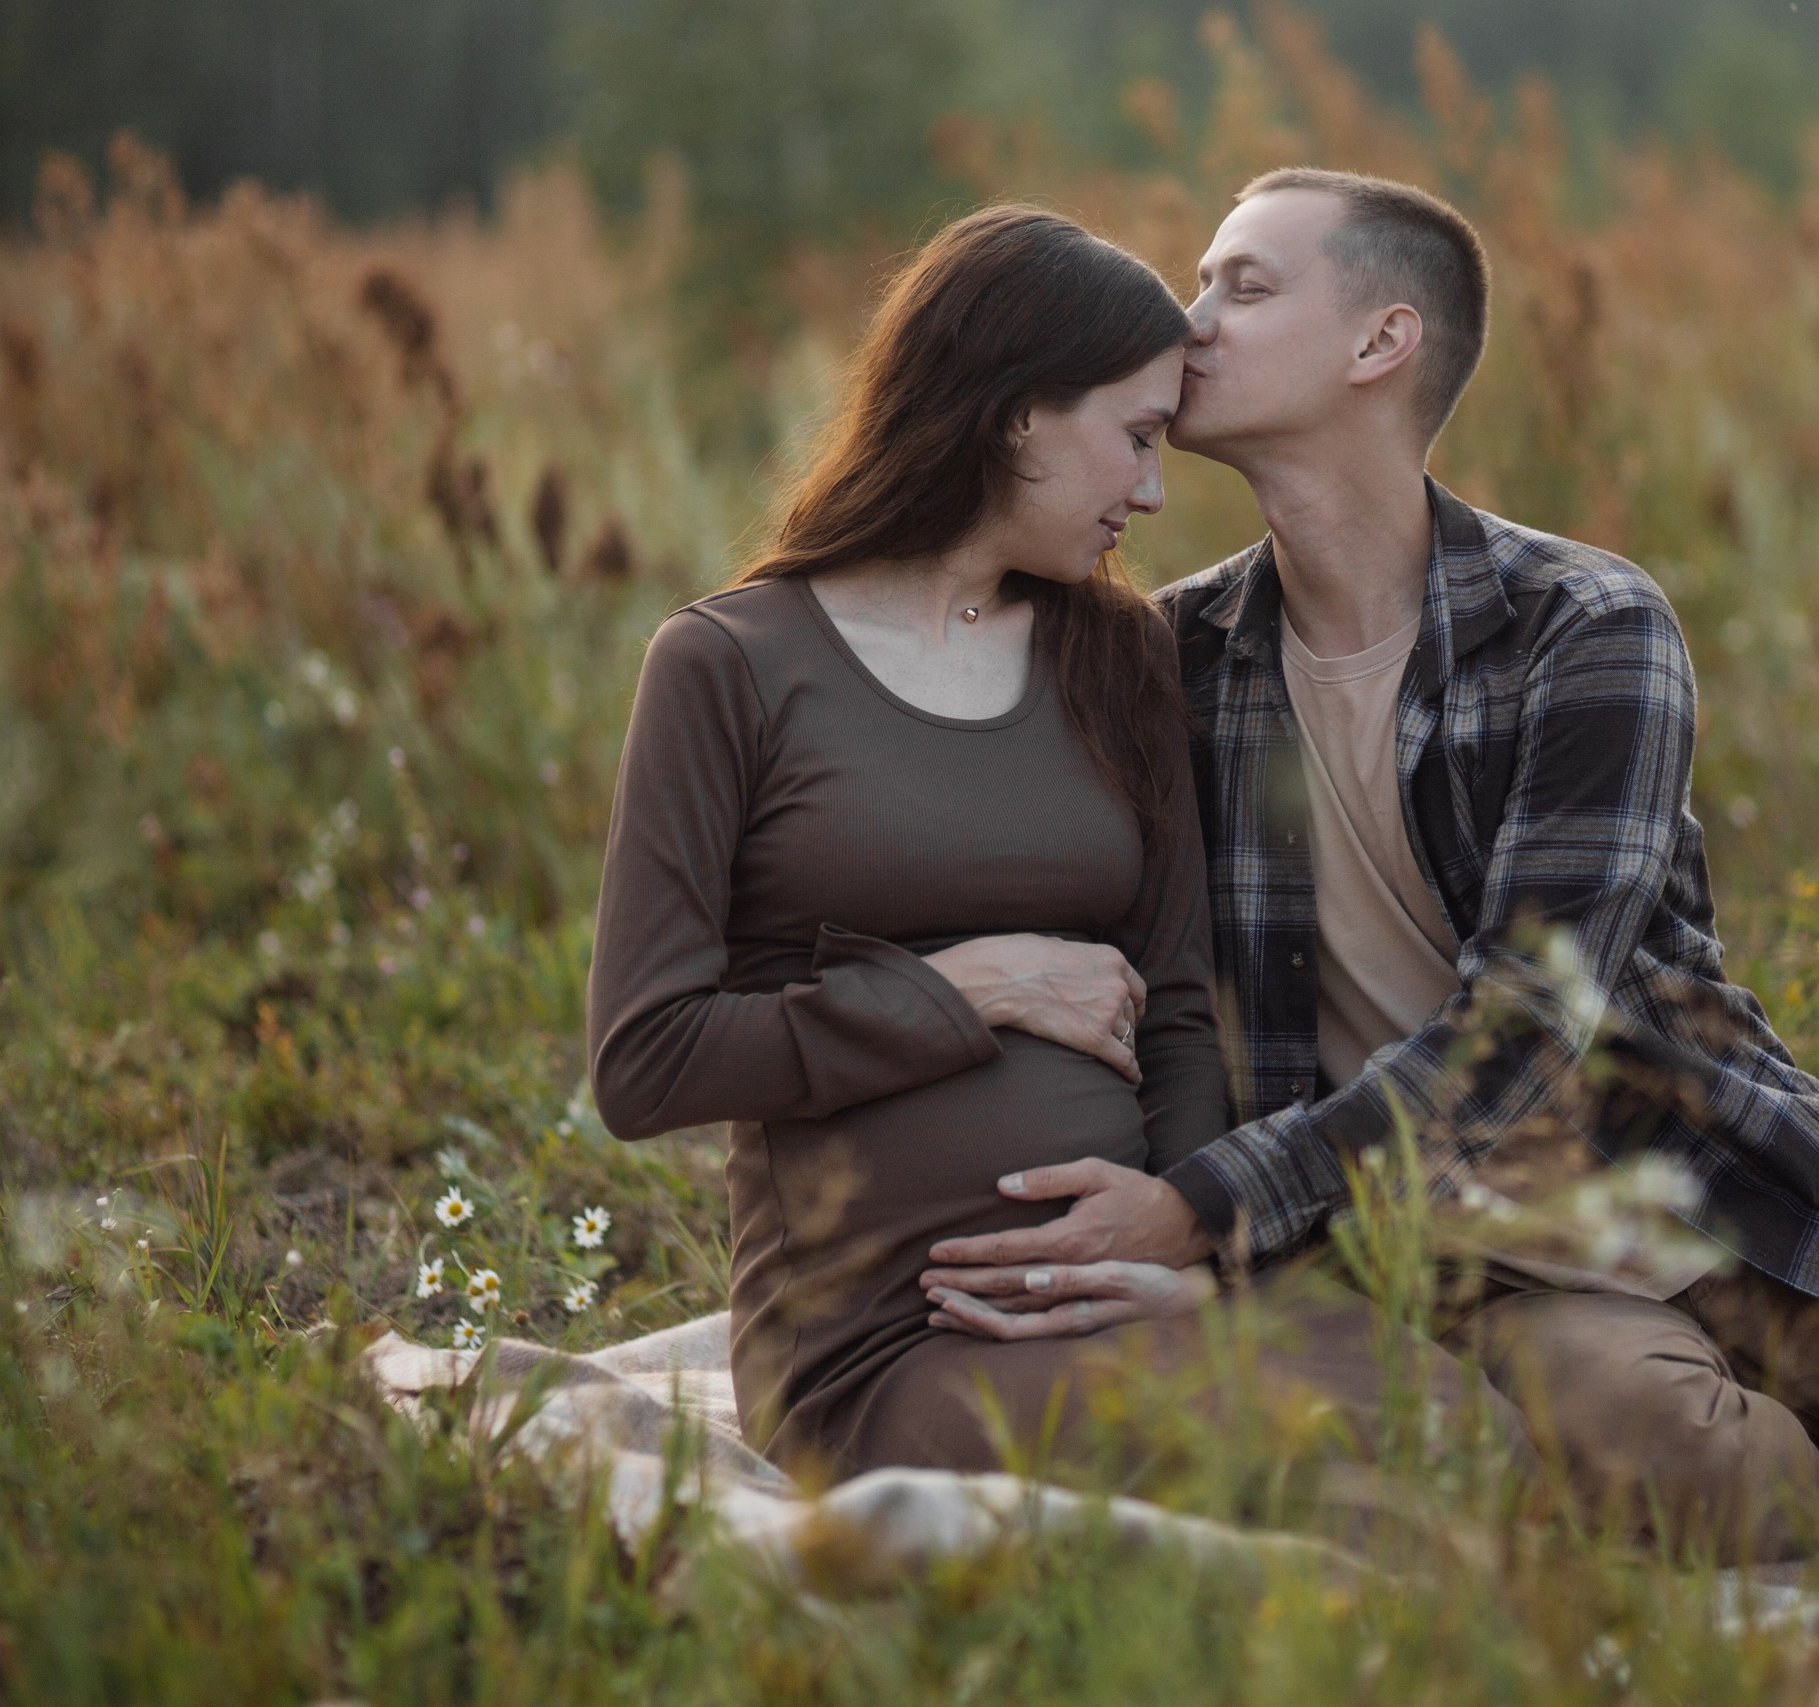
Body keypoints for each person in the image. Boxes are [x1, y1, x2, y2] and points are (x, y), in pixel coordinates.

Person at [914, 171, 1819, 1559]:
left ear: (1381, 341)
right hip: (1469, 1263)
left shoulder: (1581, 622)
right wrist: (964, 986)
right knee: (1711, 1492)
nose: (1189, 324)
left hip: (1724, 1189)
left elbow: (1531, 1021)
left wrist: (1202, 1202)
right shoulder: (1168, 659)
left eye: (1242, 285)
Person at [586, 205, 1507, 1486]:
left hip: (1130, 1292)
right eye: (1135, 437)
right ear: (1019, 415)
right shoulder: (729, 665)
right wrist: (964, 989)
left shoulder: (1117, 654)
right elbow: (646, 1060)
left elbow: (1174, 1007)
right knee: (1303, 1469)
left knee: (1464, 1432)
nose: (1154, 490)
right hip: (895, 1333)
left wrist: (1185, 1249)